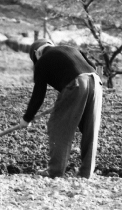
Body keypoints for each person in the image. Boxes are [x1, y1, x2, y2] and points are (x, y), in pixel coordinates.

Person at [19, 38, 103, 179]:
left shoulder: (42, 61)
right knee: (90, 129)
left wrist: (27, 118)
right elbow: (93, 67)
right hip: (96, 82)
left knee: (58, 127)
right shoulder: (71, 49)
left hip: (76, 84)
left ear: (36, 53)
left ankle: (55, 171)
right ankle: (86, 173)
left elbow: (39, 94)